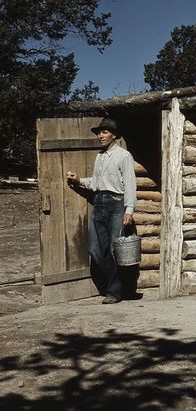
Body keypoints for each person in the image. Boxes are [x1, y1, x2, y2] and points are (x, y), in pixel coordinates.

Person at [66, 118, 136, 304]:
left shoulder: (124, 156)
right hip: (100, 203)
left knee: (114, 250)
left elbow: (130, 184)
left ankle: (114, 291)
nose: (100, 136)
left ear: (113, 135)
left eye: (104, 132)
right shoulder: (100, 156)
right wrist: (79, 179)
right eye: (99, 133)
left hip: (116, 204)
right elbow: (96, 183)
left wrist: (129, 209)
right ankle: (116, 287)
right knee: (96, 249)